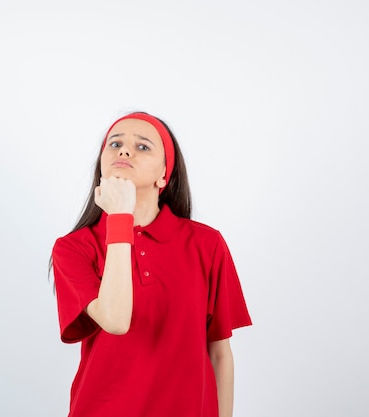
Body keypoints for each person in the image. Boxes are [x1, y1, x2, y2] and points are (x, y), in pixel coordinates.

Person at [51, 112, 252, 417]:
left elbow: (219, 353)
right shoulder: (73, 248)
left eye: (143, 146)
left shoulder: (206, 244)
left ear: (164, 176)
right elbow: (115, 321)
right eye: (114, 143)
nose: (124, 150)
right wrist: (120, 220)